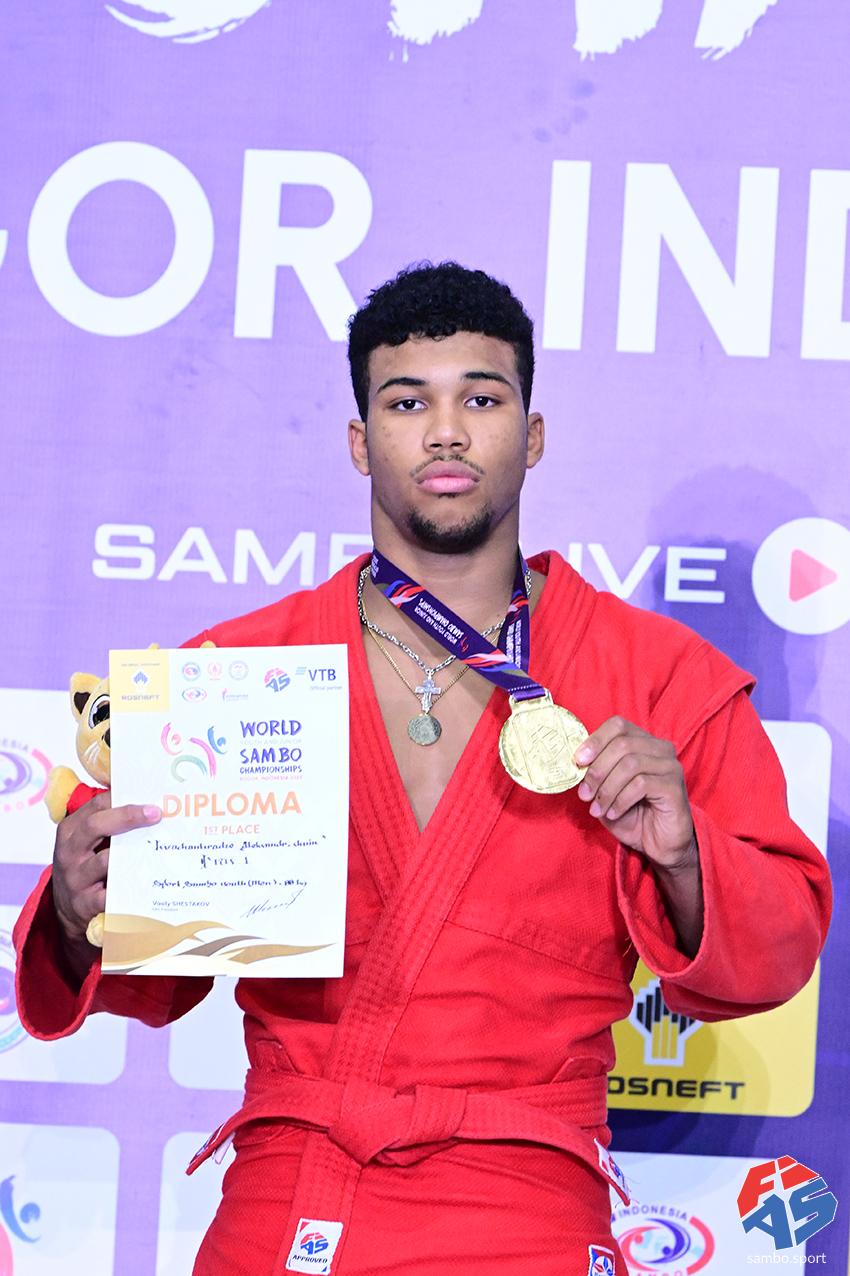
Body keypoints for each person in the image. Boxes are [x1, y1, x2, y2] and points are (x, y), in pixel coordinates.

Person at [14, 263, 831, 1276]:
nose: (446, 433)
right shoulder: (235, 673)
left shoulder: (660, 679)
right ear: (361, 442)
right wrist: (79, 907)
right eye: (408, 404)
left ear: (533, 434)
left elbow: (774, 958)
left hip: (525, 1203)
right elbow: (155, 978)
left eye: (481, 400)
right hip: (290, 1192)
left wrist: (685, 856)